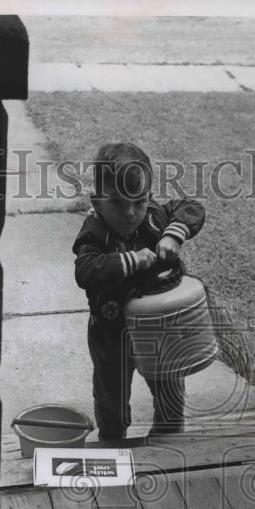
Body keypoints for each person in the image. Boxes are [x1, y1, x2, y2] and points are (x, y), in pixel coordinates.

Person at [73, 142, 206, 442]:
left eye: (139, 202)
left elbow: (192, 207)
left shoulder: (155, 217)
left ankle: (168, 436)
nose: (130, 213)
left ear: (148, 197)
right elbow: (85, 271)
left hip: (160, 329)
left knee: (169, 388)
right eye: (117, 203)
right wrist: (130, 260)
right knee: (112, 397)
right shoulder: (93, 234)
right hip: (112, 334)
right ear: (96, 202)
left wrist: (175, 232)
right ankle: (113, 438)